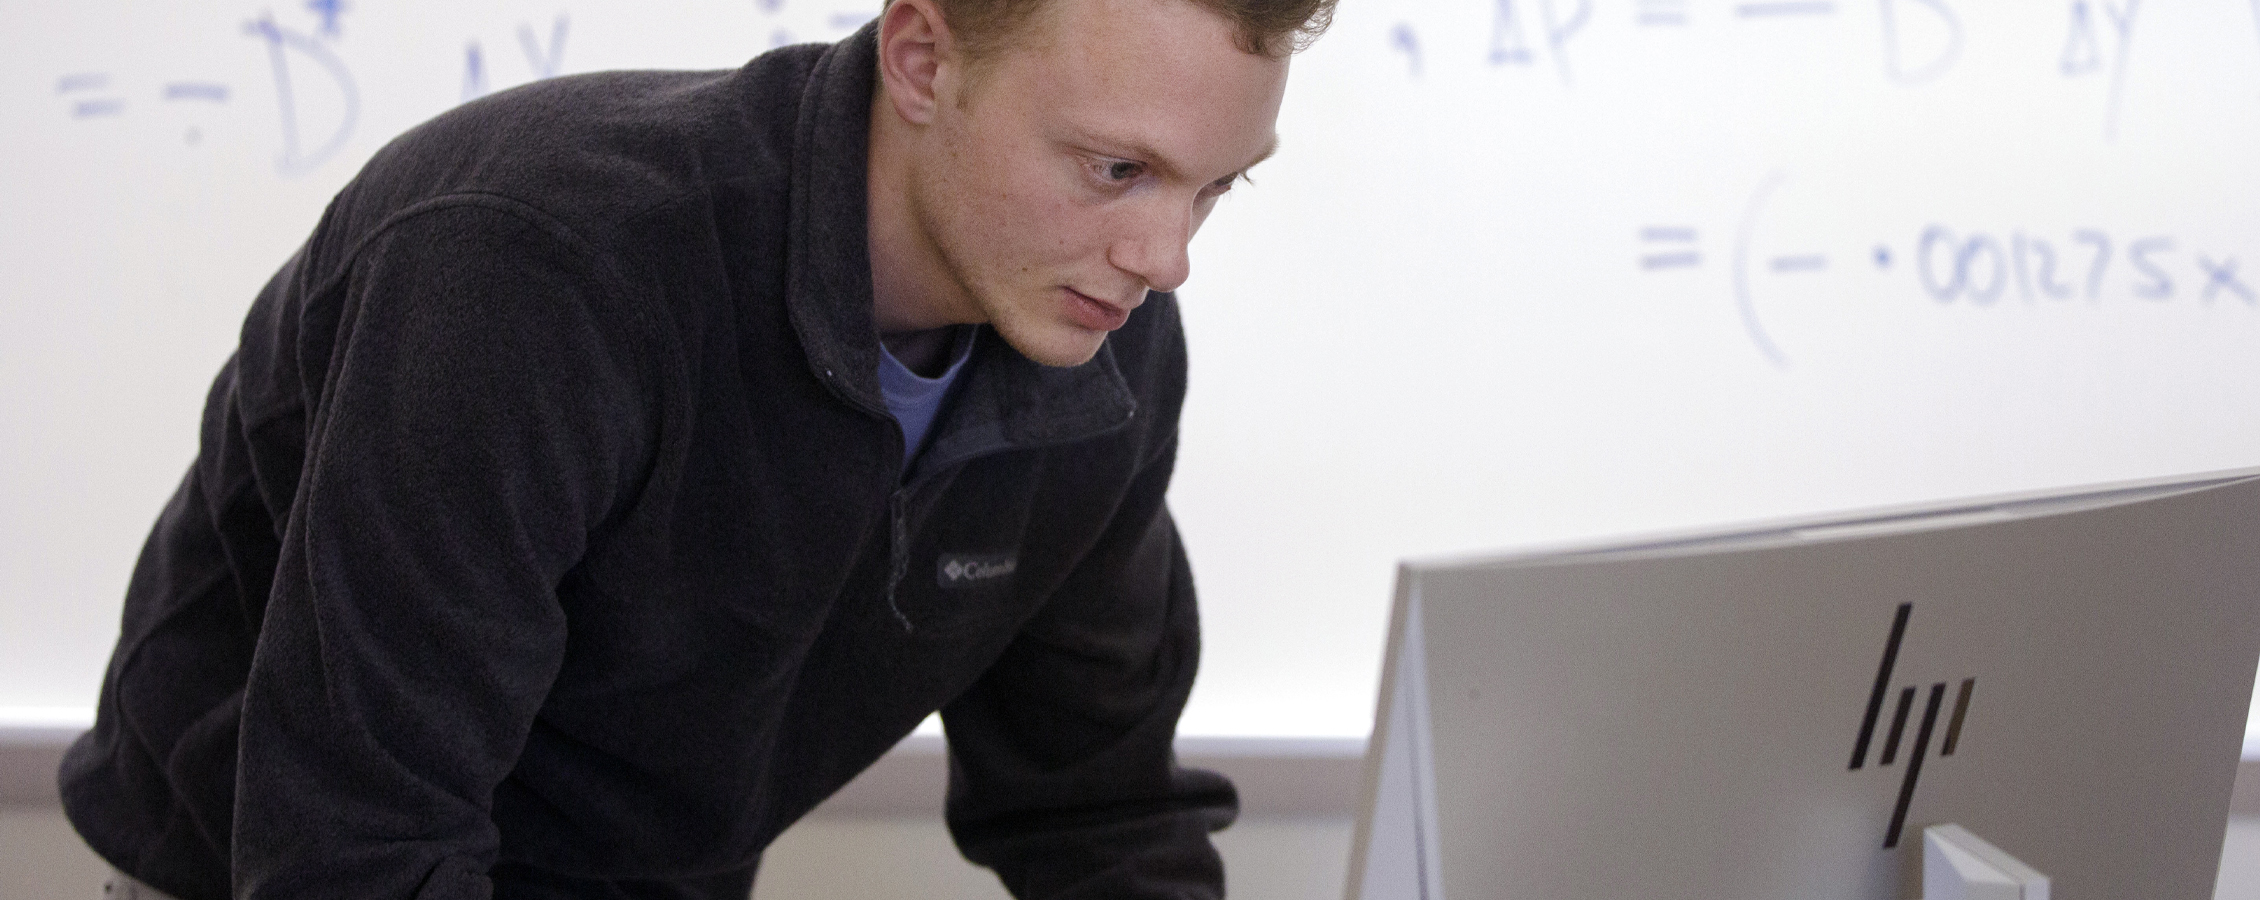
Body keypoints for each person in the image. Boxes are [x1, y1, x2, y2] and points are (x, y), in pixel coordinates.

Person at [57, 0, 1333, 896]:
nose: (1166, 259)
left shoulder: (1104, 346)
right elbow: (355, 841)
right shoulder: (537, 266)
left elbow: (1094, 806)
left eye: (1218, 185)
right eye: (1116, 169)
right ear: (924, 59)